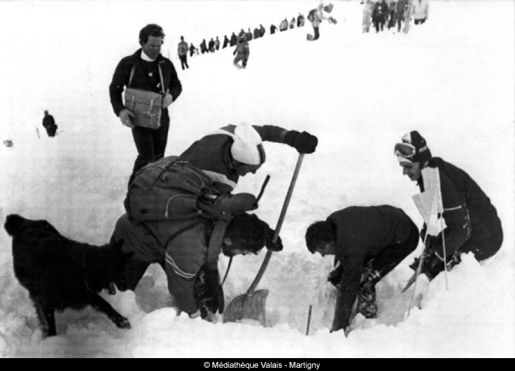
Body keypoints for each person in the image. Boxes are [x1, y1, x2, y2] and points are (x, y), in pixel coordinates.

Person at [111, 211, 282, 319]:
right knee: (118, 295)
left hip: (167, 237)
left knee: (202, 288)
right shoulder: (192, 247)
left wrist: (265, 233)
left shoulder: (222, 219)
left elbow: (242, 215)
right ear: (229, 241)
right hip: (134, 238)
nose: (243, 254)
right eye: (243, 251)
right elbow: (180, 290)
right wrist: (194, 316)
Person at [394, 131, 503, 280]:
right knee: (434, 254)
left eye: (408, 166)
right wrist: (429, 238)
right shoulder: (427, 175)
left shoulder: (441, 180)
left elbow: (462, 230)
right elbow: (433, 216)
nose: (404, 172)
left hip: (487, 236)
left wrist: (438, 256)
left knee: (439, 266)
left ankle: (436, 295)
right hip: (468, 228)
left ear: (421, 161)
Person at [305, 205, 419, 333]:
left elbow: (350, 285)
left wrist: (339, 328)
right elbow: (346, 251)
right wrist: (340, 273)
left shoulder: (352, 246)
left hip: (404, 238)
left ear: (328, 242)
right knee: (349, 269)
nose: (323, 255)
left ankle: (366, 317)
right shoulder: (334, 223)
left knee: (366, 279)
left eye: (321, 250)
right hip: (389, 221)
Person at [109, 24, 182, 184]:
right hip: (138, 118)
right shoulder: (128, 63)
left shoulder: (166, 64)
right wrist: (121, 111)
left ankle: (152, 191)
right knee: (146, 157)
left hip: (161, 118)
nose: (156, 49)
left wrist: (171, 95)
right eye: (152, 45)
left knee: (158, 157)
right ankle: (134, 192)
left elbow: (177, 85)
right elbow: (115, 88)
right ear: (141, 43)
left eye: (159, 44)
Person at [179, 122, 318, 192]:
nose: (254, 172)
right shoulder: (223, 180)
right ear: (238, 163)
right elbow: (220, 208)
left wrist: (293, 138)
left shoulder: (235, 135)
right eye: (251, 169)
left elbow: (266, 131)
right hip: (178, 180)